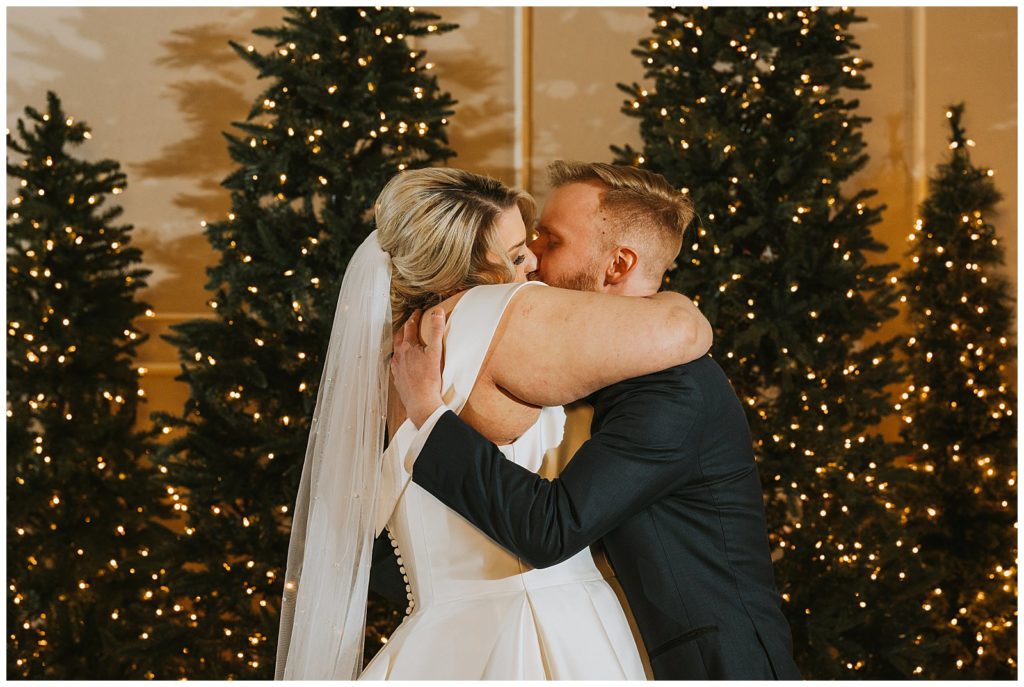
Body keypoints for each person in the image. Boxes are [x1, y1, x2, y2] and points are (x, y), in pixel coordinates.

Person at [273, 166, 714, 680]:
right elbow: (679, 332)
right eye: (516, 252)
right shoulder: (502, 310)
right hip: (537, 631)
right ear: (468, 264)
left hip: (437, 637)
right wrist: (677, 299)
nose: (532, 261)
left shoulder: (397, 346)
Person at [389, 161, 802, 680]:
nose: (532, 258)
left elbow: (552, 528)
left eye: (551, 241)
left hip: (713, 666)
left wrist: (429, 416)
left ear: (617, 266)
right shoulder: (593, 363)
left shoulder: (674, 388)